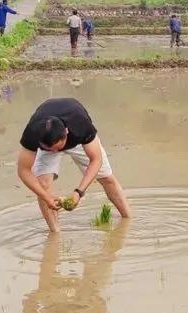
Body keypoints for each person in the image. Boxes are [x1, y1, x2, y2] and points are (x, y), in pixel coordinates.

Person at [16, 98, 131, 233]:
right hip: (46, 145)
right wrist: (46, 197)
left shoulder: (80, 123)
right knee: (43, 185)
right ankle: (55, 233)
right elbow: (23, 171)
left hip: (77, 141)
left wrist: (79, 192)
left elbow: (96, 160)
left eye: (58, 148)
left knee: (107, 178)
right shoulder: (33, 132)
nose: (56, 152)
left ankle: (128, 219)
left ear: (66, 132)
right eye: (51, 149)